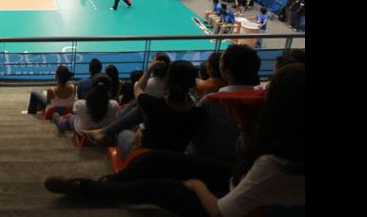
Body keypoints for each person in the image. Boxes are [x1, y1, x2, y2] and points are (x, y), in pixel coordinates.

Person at [44, 64, 304, 217]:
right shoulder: (284, 142)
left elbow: (221, 211)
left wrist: (196, 186)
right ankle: (106, 171)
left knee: (152, 187)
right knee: (157, 158)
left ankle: (87, 188)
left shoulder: (275, 165)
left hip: (225, 201)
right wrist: (246, 127)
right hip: (236, 174)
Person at [55, 74, 120, 134]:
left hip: (83, 132)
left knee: (71, 117)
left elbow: (71, 110)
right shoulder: (115, 105)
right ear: (109, 89)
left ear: (92, 88)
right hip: (104, 132)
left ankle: (59, 122)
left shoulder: (81, 104)